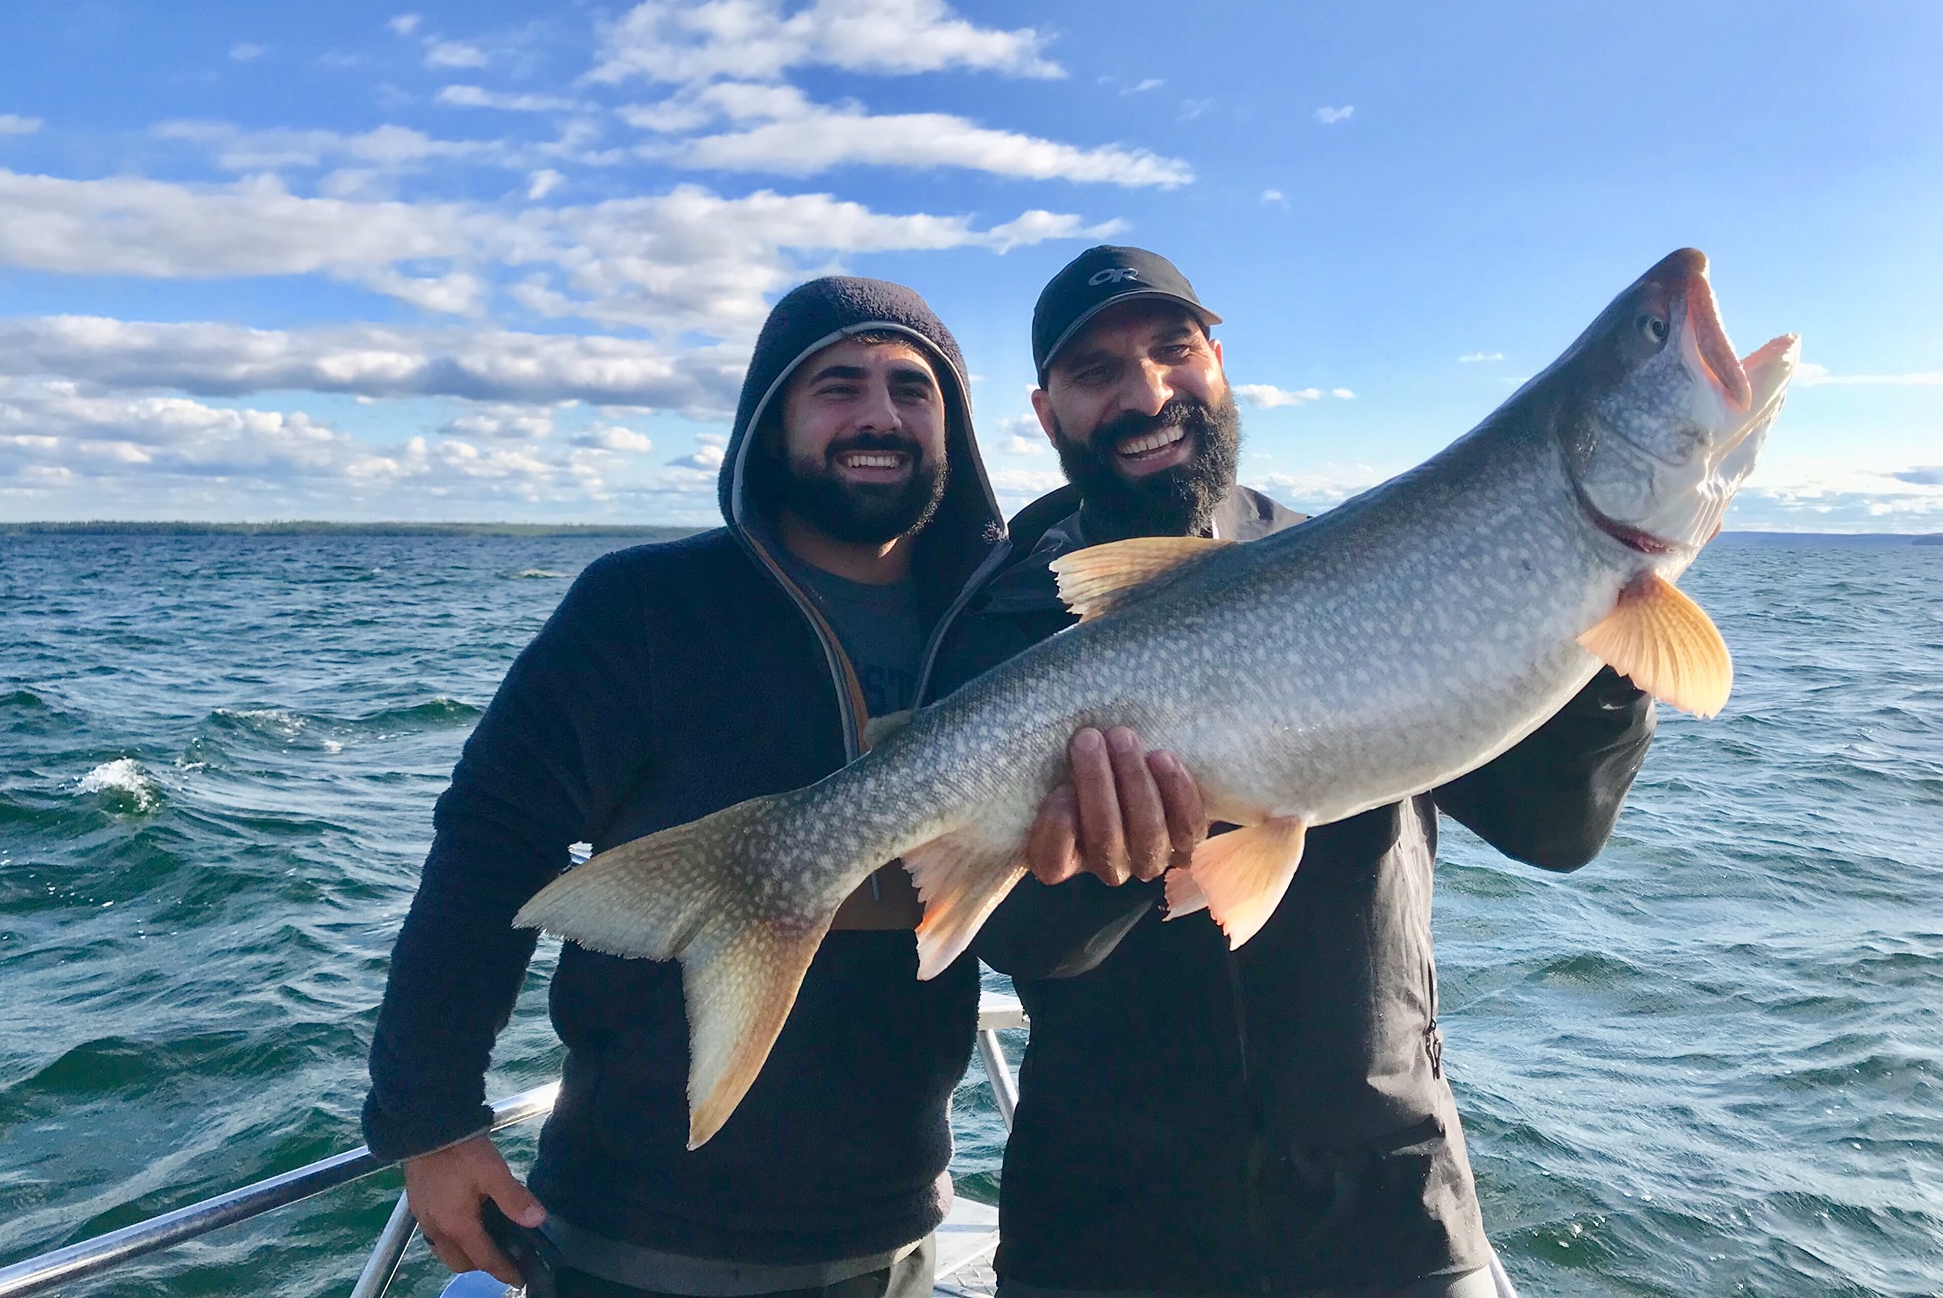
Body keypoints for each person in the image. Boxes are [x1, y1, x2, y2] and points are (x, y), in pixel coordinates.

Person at [923, 245, 1657, 1298]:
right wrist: (1115, 864)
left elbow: (1553, 830)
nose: (1148, 393)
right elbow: (1016, 939)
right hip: (1103, 1226)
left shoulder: (1370, 567)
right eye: (1096, 372)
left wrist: (1600, 631)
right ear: (1046, 415)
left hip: (1387, 1207)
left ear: (1218, 363)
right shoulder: (1001, 623)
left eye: (1174, 349)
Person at [363, 276, 1016, 1297]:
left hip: (892, 1229)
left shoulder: (996, 629)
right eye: (837, 386)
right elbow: (491, 841)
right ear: (769, 421)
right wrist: (431, 1119)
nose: (879, 416)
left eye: (911, 388)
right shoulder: (642, 606)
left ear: (954, 426)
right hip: (637, 1231)